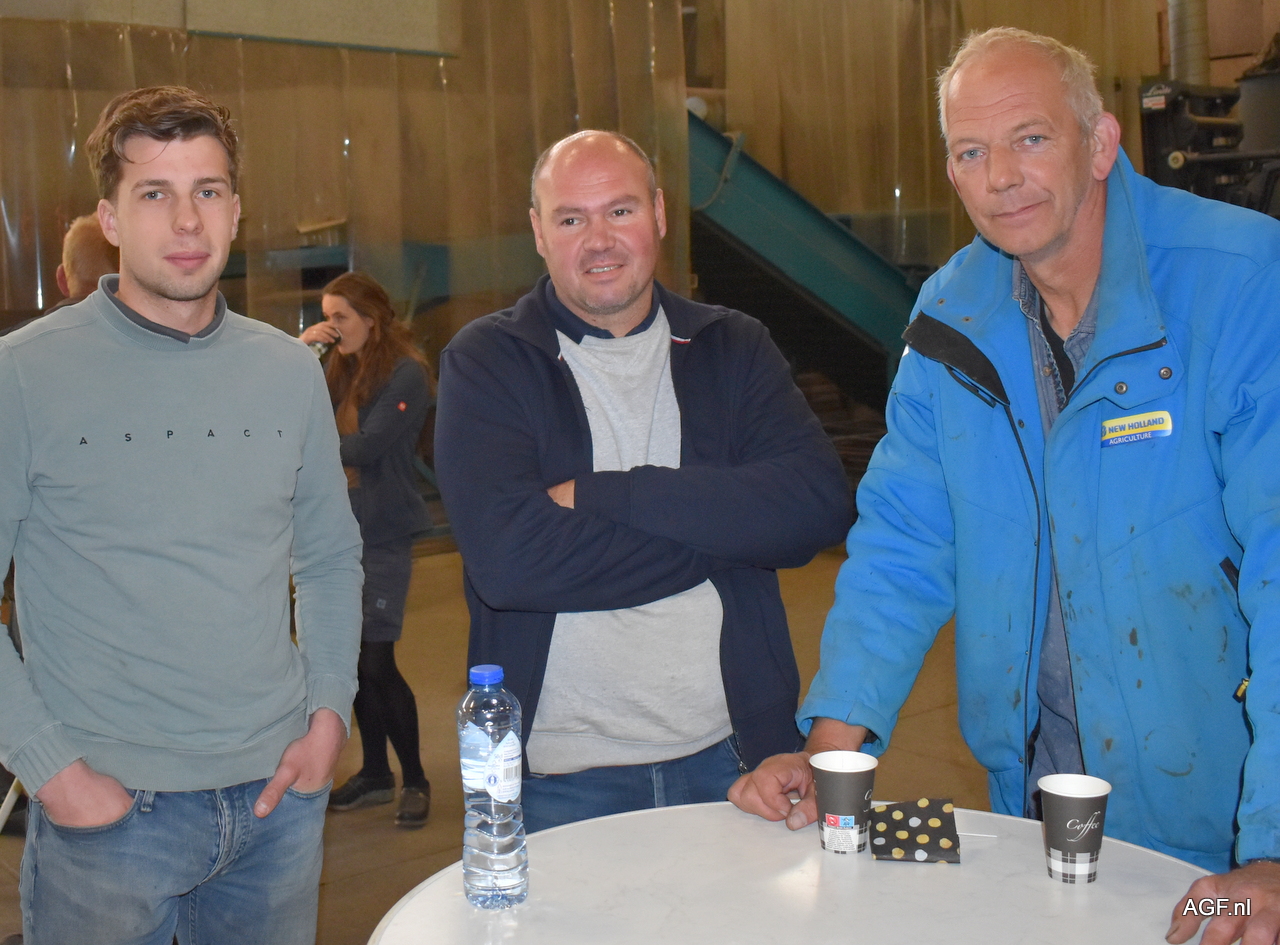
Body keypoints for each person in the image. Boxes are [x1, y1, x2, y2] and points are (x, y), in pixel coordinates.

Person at [728, 27, 1280, 945]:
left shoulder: (1243, 282)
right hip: (1041, 807)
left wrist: (1270, 852)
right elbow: (903, 542)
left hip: (1221, 832)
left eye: (1030, 138)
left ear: (1099, 143)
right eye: (970, 152)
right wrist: (831, 748)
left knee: (1201, 925)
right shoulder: (952, 317)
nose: (1002, 178)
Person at [0, 86, 363, 944]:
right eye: (154, 192)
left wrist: (329, 714)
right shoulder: (23, 375)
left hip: (276, 803)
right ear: (111, 219)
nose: (187, 219)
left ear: (235, 210)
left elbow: (328, 556)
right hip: (108, 819)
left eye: (207, 190)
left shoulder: (288, 372)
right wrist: (53, 771)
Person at [433, 129, 852, 834]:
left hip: (739, 760)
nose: (599, 240)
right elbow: (509, 564)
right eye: (572, 218)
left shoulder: (733, 345)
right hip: (560, 781)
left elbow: (816, 504)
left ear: (658, 214)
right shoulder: (489, 362)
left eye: (620, 211)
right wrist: (732, 531)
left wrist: (609, 495)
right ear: (538, 232)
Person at [299, 271, 433, 828]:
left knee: (377, 660)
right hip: (337, 531)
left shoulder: (406, 374)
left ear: (371, 320)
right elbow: (289, 413)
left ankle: (416, 779)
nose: (332, 327)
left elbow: (370, 445)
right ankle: (376, 773)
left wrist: (307, 442)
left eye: (341, 317)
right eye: (326, 317)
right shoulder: (338, 367)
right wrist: (302, 354)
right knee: (352, 662)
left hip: (381, 532)